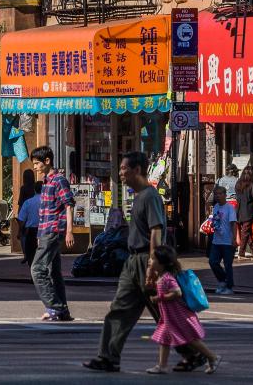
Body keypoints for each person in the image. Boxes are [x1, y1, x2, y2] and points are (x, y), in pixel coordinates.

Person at [84, 152, 203, 374]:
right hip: (133, 262)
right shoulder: (139, 196)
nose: (120, 173)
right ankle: (108, 357)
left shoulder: (150, 196)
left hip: (147, 261)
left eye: (123, 168)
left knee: (165, 312)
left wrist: (152, 266)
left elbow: (156, 232)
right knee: (120, 309)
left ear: (137, 170)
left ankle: (194, 353)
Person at [146, 245, 221, 375]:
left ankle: (213, 357)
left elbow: (177, 292)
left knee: (191, 340)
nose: (150, 261)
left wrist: (159, 298)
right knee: (164, 339)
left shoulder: (167, 278)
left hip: (179, 316)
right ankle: (162, 366)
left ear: (162, 263)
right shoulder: (162, 278)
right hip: (169, 317)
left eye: (153, 259)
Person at [29, 145, 74, 322]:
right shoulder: (46, 183)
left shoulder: (59, 180)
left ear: (47, 161)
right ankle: (63, 311)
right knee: (54, 272)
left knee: (37, 269)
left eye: (37, 163)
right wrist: (40, 235)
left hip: (54, 230)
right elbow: (45, 212)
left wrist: (69, 231)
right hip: (46, 232)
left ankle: (54, 307)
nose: (35, 167)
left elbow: (69, 204)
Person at [206, 186, 236, 295]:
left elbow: (233, 223)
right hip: (216, 240)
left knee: (228, 265)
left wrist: (234, 238)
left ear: (225, 195)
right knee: (213, 261)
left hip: (227, 241)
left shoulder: (229, 208)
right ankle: (223, 281)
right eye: (216, 194)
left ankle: (229, 286)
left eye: (220, 194)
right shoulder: (216, 207)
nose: (217, 196)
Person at [234, 166, 253, 258]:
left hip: (239, 211)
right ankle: (241, 252)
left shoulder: (238, 184)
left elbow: (237, 197)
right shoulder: (251, 185)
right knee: (245, 232)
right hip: (248, 211)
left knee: (247, 232)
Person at [16, 188, 40, 268]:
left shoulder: (28, 202)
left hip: (31, 231)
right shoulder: (48, 201)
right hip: (44, 230)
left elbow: (21, 219)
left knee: (31, 254)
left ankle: (33, 274)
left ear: (35, 190)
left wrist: (20, 230)